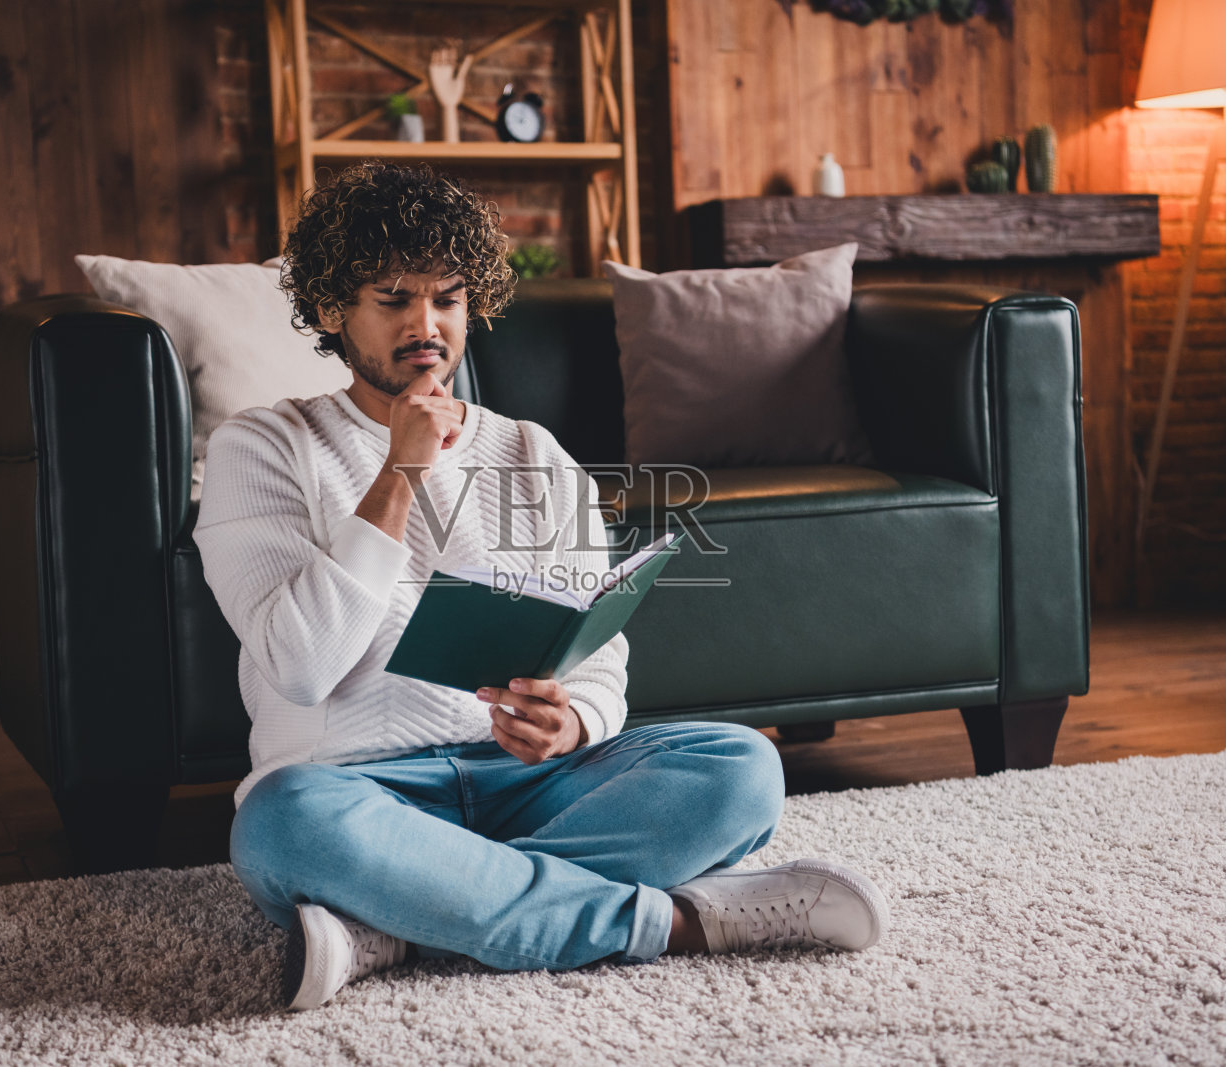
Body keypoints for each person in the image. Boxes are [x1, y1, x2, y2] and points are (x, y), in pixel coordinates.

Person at [195, 160, 889, 1012]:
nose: (427, 324)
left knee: (740, 765)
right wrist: (398, 475)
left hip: (528, 790)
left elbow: (598, 655)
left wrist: (575, 722)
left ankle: (399, 922)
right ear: (334, 308)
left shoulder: (529, 450)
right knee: (279, 822)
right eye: (393, 298)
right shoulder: (261, 446)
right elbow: (300, 665)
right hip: (355, 791)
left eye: (447, 298)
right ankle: (674, 924)